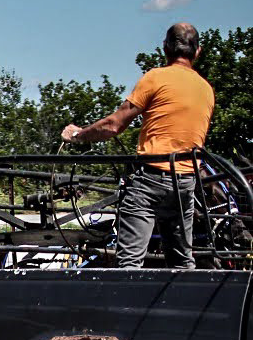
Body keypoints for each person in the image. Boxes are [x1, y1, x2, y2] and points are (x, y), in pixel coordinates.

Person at [61, 22, 215, 268]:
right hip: (186, 184)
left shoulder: (156, 78)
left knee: (130, 262)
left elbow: (113, 125)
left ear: (165, 48)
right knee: (181, 262)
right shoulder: (206, 90)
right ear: (197, 51)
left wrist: (78, 135)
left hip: (151, 180)